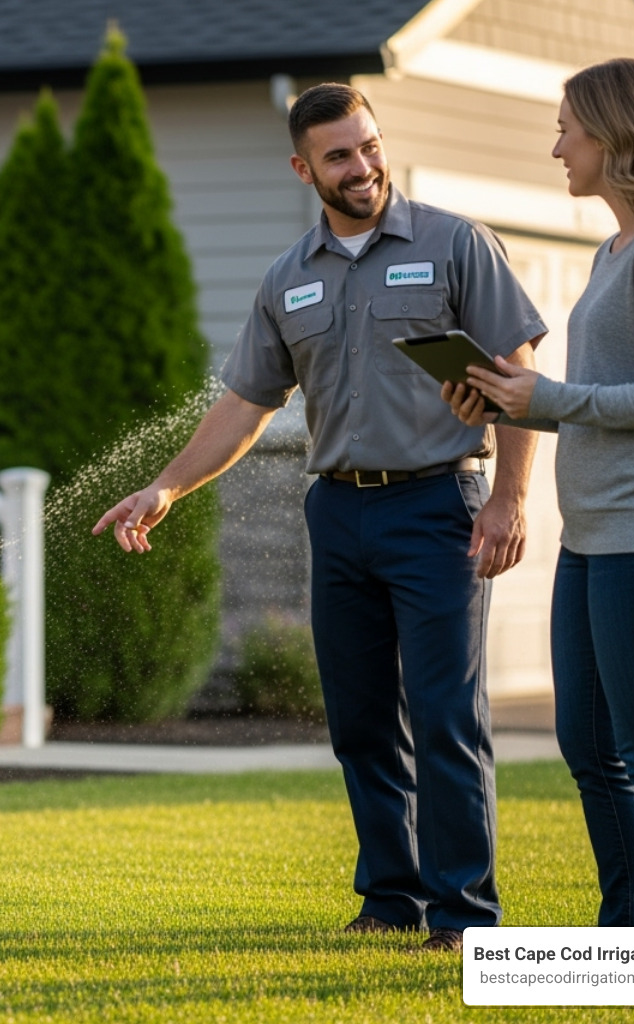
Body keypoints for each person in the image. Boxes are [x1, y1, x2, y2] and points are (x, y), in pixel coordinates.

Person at [93, 83, 547, 952]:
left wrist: (510, 497)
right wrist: (166, 487)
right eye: (340, 155)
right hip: (337, 514)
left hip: (437, 505)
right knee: (362, 717)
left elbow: (516, 371)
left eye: (370, 145)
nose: (363, 166)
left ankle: (464, 917)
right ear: (304, 169)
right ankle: (391, 899)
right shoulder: (288, 278)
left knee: (447, 714)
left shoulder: (456, 245)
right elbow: (244, 405)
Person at [443, 58, 634, 927]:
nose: (555, 148)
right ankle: (626, 919)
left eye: (567, 129)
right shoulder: (615, 249)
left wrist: (554, 401)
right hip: (592, 531)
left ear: (613, 136)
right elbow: (612, 387)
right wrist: (506, 394)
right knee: (587, 743)